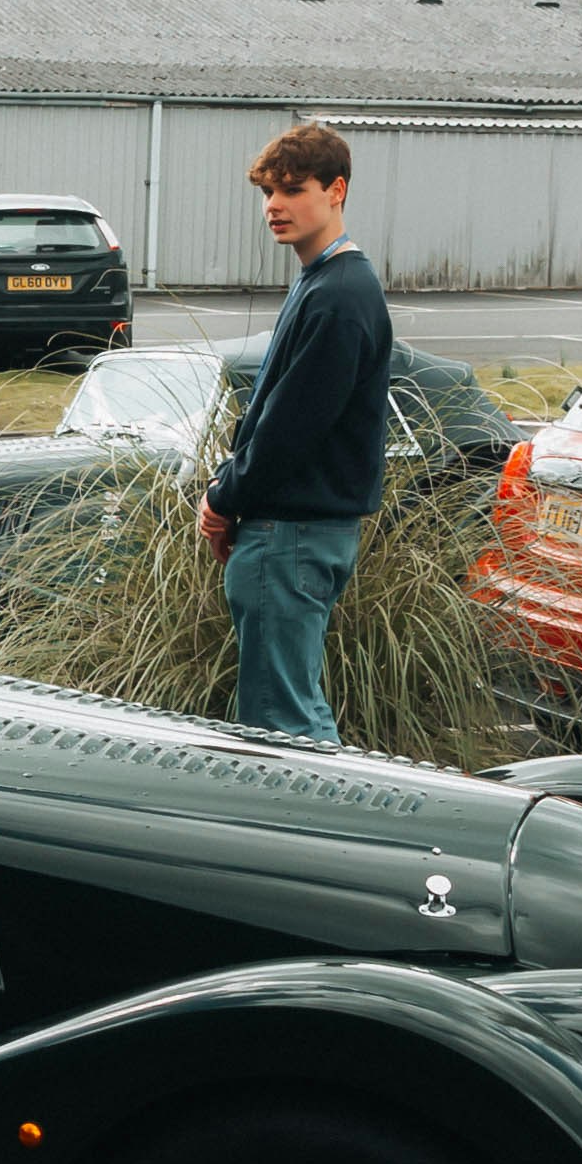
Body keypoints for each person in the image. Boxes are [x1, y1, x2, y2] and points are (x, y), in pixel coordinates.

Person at [197, 122, 394, 745]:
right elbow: (272, 410)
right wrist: (227, 491)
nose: (274, 206)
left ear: (336, 190)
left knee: (281, 727)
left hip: (291, 535)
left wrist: (224, 499)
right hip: (298, 533)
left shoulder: (339, 294)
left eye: (292, 190)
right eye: (267, 193)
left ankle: (329, 836)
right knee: (292, 707)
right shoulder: (324, 281)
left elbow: (289, 431)